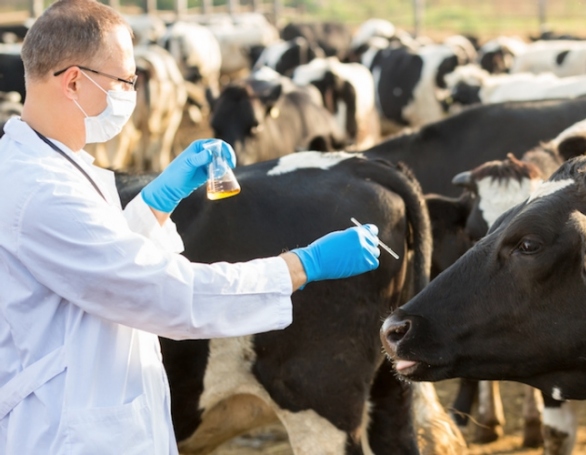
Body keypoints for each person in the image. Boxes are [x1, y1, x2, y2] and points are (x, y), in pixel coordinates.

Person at [0, 1, 381, 453]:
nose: (130, 94)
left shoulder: (52, 165)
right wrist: (300, 266)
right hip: (69, 430)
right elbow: (166, 293)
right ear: (75, 81)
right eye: (124, 81)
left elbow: (100, 263)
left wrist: (159, 201)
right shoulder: (41, 191)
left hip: (89, 411)